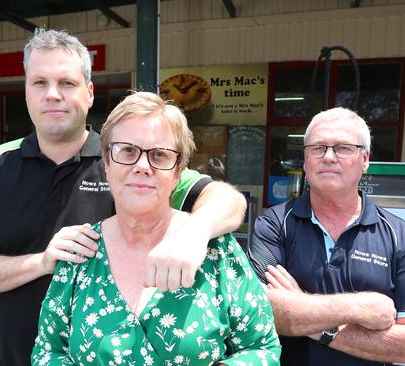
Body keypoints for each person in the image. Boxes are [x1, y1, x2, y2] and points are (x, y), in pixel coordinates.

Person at [0, 29, 246, 366]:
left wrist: (195, 232)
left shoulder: (124, 159)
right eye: (40, 83)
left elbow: (228, 200)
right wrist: (42, 262)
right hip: (11, 358)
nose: (53, 95)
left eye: (67, 83)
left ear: (89, 93)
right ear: (27, 92)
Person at [31, 91, 281, 365]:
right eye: (127, 151)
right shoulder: (81, 251)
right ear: (106, 164)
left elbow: (262, 348)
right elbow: (48, 352)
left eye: (159, 155)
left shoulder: (214, 250)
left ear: (177, 172)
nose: (141, 166)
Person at [248, 107, 405, 366]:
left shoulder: (402, 237)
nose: (328, 157)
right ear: (305, 160)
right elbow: (259, 311)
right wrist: (359, 307)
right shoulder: (274, 224)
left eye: (343, 148)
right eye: (317, 148)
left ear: (365, 159)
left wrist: (301, 307)